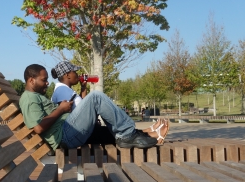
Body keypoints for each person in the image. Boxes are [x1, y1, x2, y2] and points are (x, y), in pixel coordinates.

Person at [19, 63, 169, 151]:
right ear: (31, 80)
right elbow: (38, 127)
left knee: (111, 133)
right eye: (44, 80)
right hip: (65, 136)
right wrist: (61, 109)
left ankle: (149, 135)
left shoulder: (36, 96)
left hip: (68, 132)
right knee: (95, 97)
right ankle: (127, 134)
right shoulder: (29, 98)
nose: (47, 83)